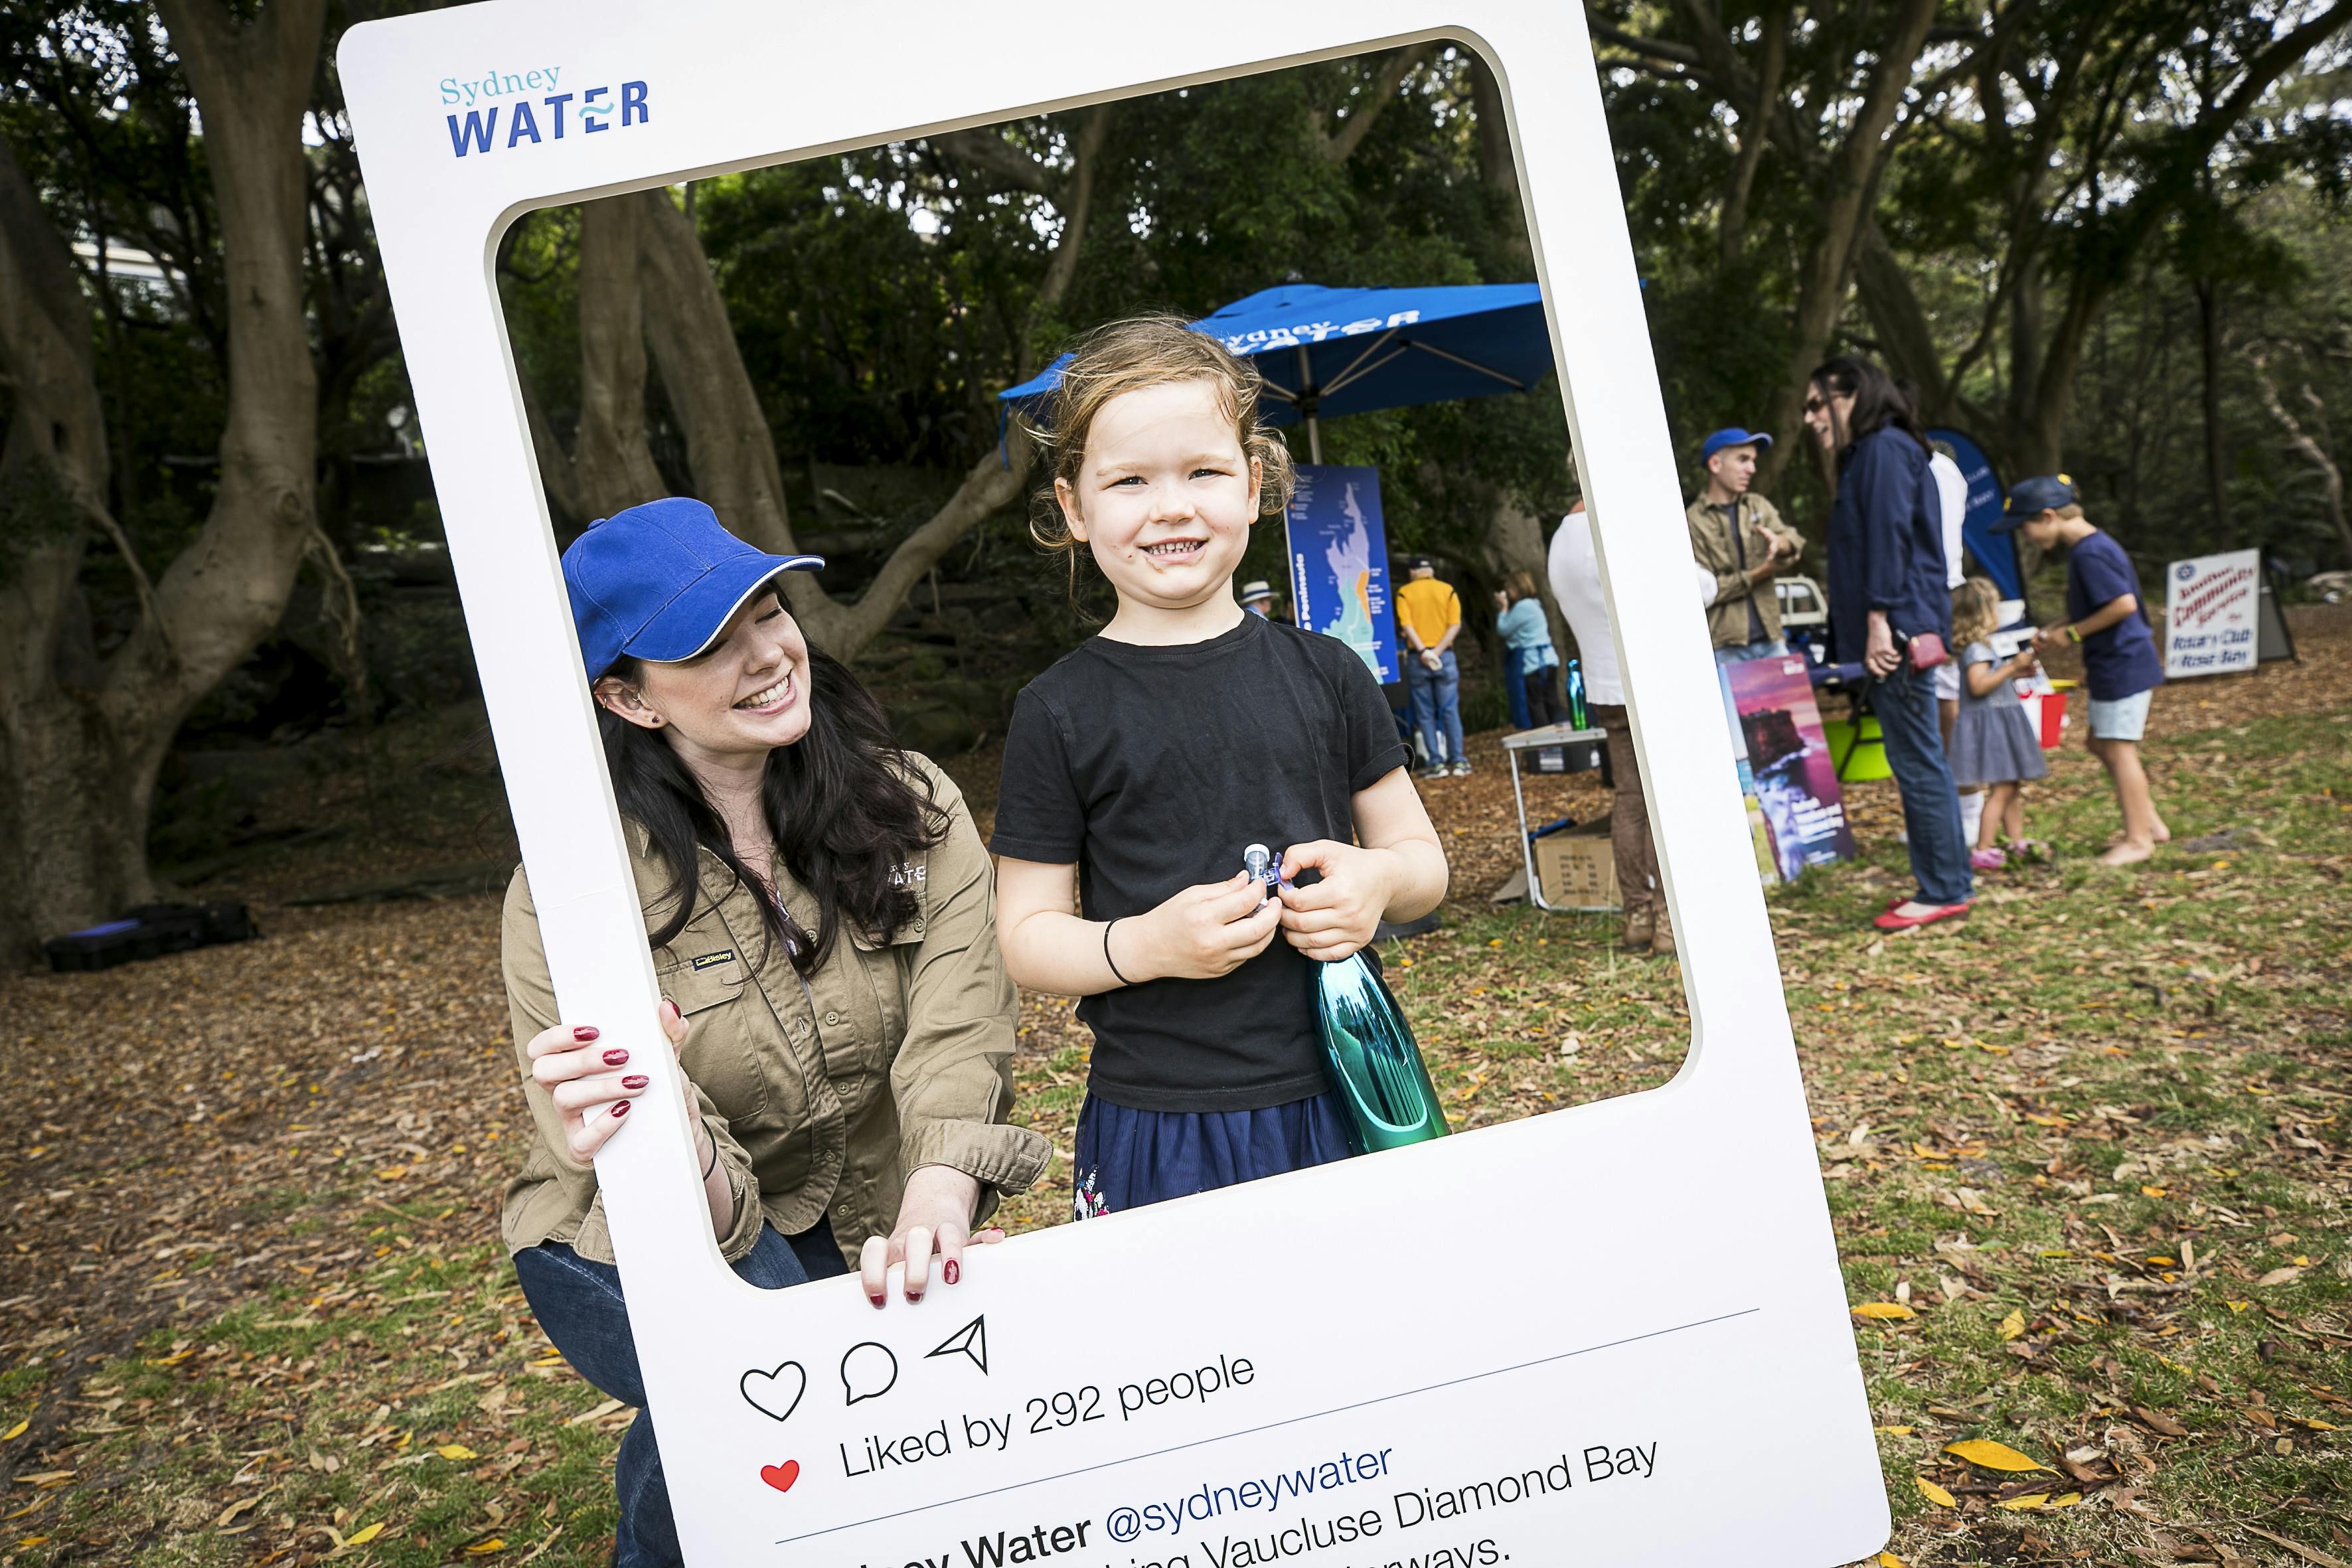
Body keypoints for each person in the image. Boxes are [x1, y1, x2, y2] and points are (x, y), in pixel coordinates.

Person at [502, 498, 1050, 1568]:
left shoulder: (914, 803)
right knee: (775, 1394)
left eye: (765, 608)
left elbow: (959, 1030)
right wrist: (656, 1114)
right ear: (626, 696)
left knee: (874, 1412)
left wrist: (938, 1196)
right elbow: (682, 1201)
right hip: (637, 1233)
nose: (766, 653)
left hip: (868, 1197)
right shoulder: (574, 893)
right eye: (708, 643)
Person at [990, 316, 1448, 1219]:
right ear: (1074, 508)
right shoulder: (1055, 709)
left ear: (1254, 485)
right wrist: (1144, 945)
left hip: (1348, 1085)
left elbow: (1422, 867)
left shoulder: (1327, 671)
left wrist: (1375, 878)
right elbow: (1026, 934)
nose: (1171, 506)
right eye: (1128, 481)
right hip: (1160, 1118)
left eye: (1202, 471)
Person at [1806, 355, 1973, 931]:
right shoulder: (1890, 450)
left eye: (1816, 403)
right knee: (1919, 758)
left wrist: (1880, 620)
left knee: (1918, 760)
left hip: (1897, 632)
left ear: (1850, 395)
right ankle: (1946, 881)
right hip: (1903, 626)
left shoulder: (1881, 450)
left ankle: (1944, 887)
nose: (1810, 418)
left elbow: (1888, 540)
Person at [1546, 499, 1725, 955]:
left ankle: (1638, 914)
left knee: (1629, 800)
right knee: (1662, 802)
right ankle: (1668, 917)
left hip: (1604, 683)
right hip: (1650, 681)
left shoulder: (1561, 538)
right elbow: (1700, 587)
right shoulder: (1621, 522)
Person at [2000, 475, 2170, 866]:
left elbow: (2123, 605)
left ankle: (2139, 840)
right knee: (2099, 742)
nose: (2024, 537)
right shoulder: (2090, 548)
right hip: (2113, 663)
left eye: (2024, 527)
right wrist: (2057, 628)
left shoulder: (2089, 553)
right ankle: (2150, 826)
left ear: (2047, 517)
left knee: (2115, 745)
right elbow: (2097, 606)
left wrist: (2073, 634)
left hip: (2122, 662)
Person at [1944, 576, 2048, 870]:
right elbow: (1979, 686)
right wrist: (2013, 666)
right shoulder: (1977, 650)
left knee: (2010, 786)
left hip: (1998, 723)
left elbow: (1989, 682)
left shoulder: (1981, 647)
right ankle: (1983, 849)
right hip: (1992, 729)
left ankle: (2016, 841)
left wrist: (2013, 674)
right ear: (1983, 613)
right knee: (2002, 789)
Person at [1687, 427, 1804, 666]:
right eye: (1743, 460)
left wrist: (1780, 545)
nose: (1752, 469)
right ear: (1716, 465)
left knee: (1786, 706)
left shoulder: (1758, 505)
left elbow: (1793, 540)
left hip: (1773, 642)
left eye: (1753, 461)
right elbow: (1708, 590)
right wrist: (1761, 573)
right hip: (1724, 649)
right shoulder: (1692, 521)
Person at [1395, 554, 1469, 777]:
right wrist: (1437, 652)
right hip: (1444, 656)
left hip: (1419, 658)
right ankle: (1459, 762)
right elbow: (1455, 624)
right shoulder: (1448, 590)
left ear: (1412, 572)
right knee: (1449, 710)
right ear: (1432, 571)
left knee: (1425, 713)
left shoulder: (1405, 592)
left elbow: (1407, 626)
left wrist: (1424, 652)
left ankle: (1436, 763)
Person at [1494, 570, 1569, 728]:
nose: (1509, 593)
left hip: (1534, 664)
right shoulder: (1536, 604)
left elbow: (1503, 629)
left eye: (1510, 590)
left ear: (1518, 588)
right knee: (1551, 702)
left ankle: (1546, 746)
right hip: (1549, 660)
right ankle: (1564, 741)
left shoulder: (1523, 607)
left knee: (1536, 706)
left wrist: (1504, 608)